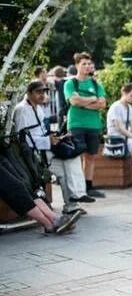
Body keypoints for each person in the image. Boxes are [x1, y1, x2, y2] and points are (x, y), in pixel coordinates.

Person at [12, 81, 88, 217]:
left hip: (45, 150)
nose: (42, 95)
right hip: (33, 156)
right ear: (29, 93)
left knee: (72, 158)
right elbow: (22, 139)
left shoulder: (37, 108)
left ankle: (74, 201)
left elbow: (39, 132)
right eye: (38, 92)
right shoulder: (22, 110)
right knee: (66, 166)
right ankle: (74, 200)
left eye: (43, 92)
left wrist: (55, 137)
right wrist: (48, 140)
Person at [63, 52, 106, 198]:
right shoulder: (70, 83)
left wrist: (83, 103)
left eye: (89, 64)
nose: (87, 66)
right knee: (76, 156)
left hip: (93, 124)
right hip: (76, 124)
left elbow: (102, 104)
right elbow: (73, 102)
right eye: (84, 64)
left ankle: (88, 186)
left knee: (91, 156)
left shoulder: (96, 84)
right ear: (77, 65)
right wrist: (91, 99)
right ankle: (77, 188)